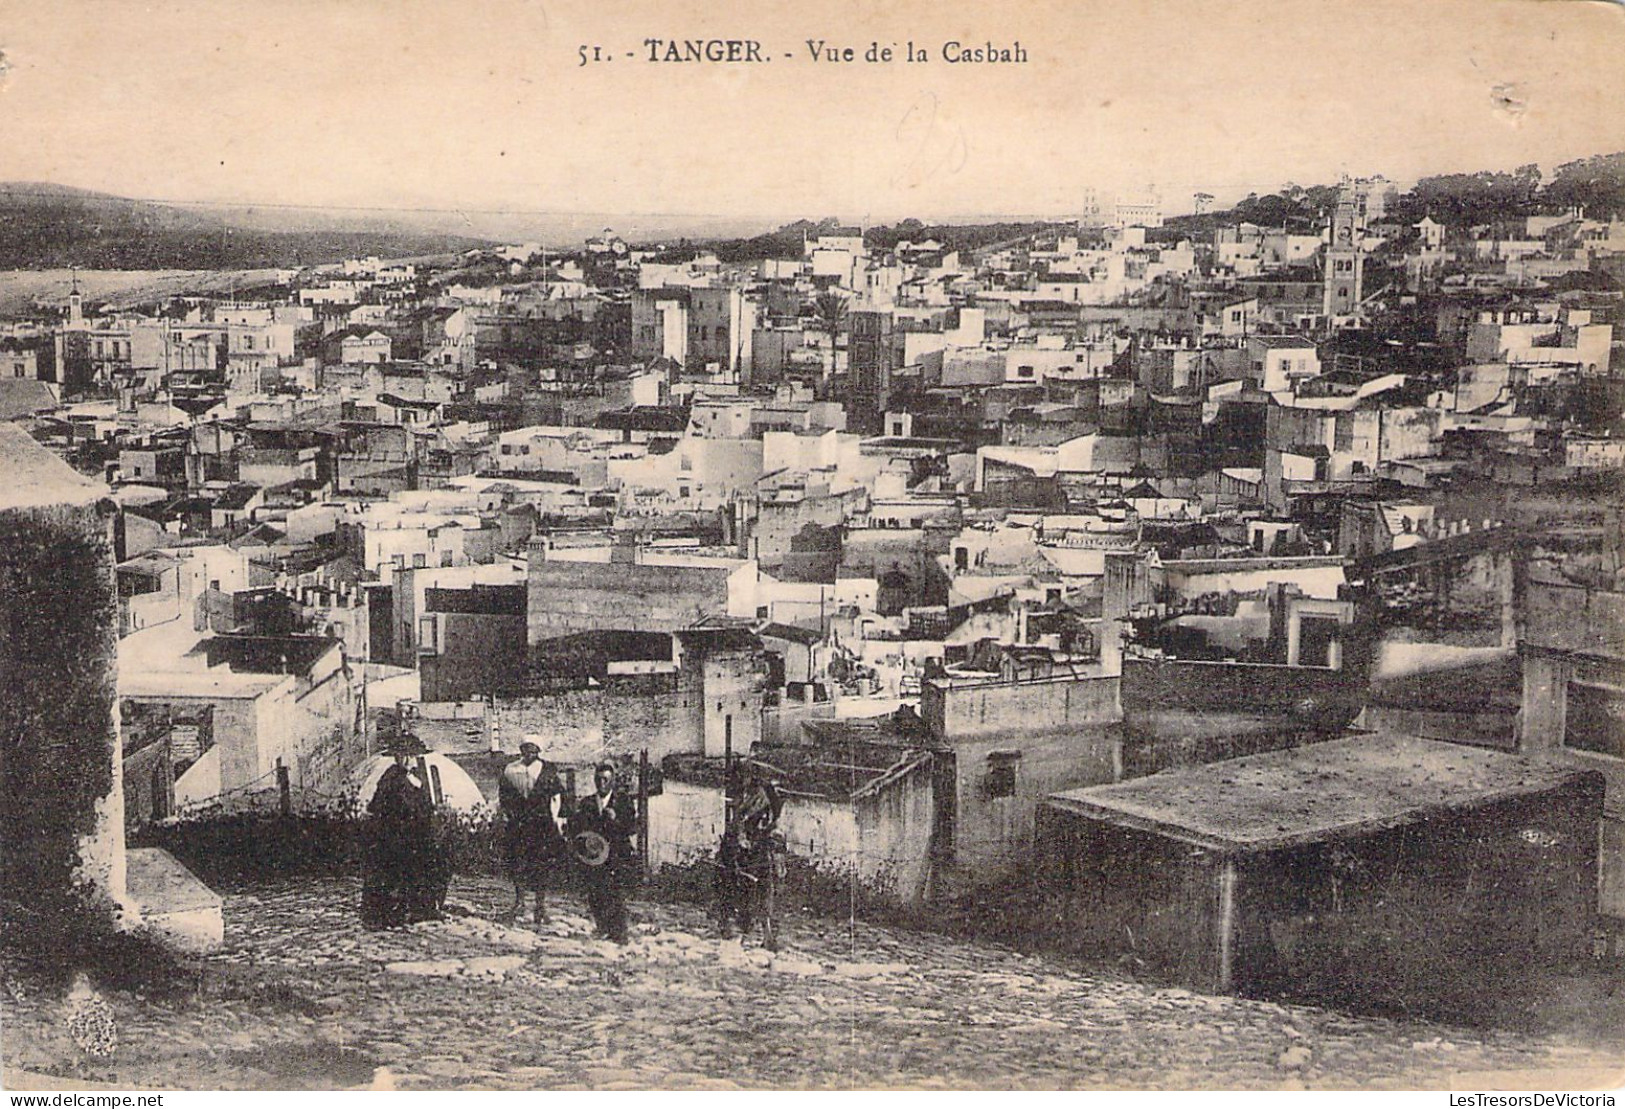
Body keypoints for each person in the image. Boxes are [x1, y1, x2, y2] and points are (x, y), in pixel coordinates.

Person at [361, 734, 446, 929]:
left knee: (419, 870)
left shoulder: (416, 775)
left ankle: (419, 909)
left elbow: (424, 804)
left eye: (410, 755)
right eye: (404, 755)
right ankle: (393, 914)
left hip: (415, 833)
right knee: (396, 874)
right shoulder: (391, 777)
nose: (408, 760)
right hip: (396, 833)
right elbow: (378, 806)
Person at [715, 760, 785, 949]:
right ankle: (737, 927)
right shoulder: (746, 799)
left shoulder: (764, 799)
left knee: (763, 890)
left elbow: (772, 824)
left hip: (759, 851)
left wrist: (753, 838)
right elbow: (739, 824)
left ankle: (766, 934)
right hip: (744, 851)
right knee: (738, 886)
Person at [498, 740, 566, 925]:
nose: (529, 753)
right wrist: (508, 814)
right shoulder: (510, 770)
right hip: (519, 825)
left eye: (533, 750)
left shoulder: (547, 769)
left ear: (538, 751)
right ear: (521, 750)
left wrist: (556, 819)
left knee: (542, 865)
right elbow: (504, 796)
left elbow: (557, 796)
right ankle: (519, 902)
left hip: (542, 824)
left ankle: (540, 905)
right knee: (518, 862)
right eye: (526, 750)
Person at [568, 761, 636, 944]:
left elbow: (632, 828)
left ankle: (619, 932)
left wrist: (616, 819)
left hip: (617, 855)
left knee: (615, 893)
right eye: (598, 780)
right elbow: (578, 827)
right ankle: (602, 927)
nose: (601, 783)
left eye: (605, 780)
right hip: (595, 856)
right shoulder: (588, 802)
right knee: (595, 892)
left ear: (613, 781)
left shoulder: (623, 801)